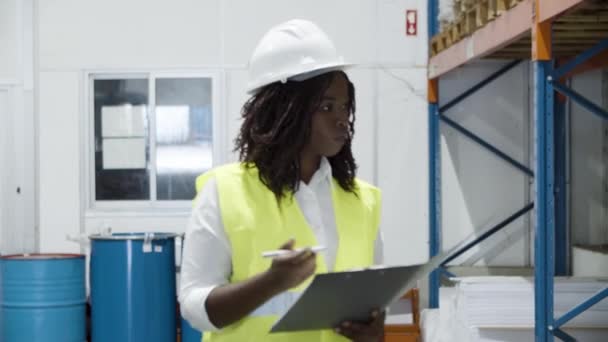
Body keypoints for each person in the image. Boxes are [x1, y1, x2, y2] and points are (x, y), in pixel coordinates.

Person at [179, 19, 384, 342]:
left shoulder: (364, 201)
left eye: (345, 107)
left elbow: (371, 300)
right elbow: (193, 308)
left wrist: (373, 330)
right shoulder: (225, 192)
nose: (342, 120)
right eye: (327, 107)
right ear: (286, 111)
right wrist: (270, 283)